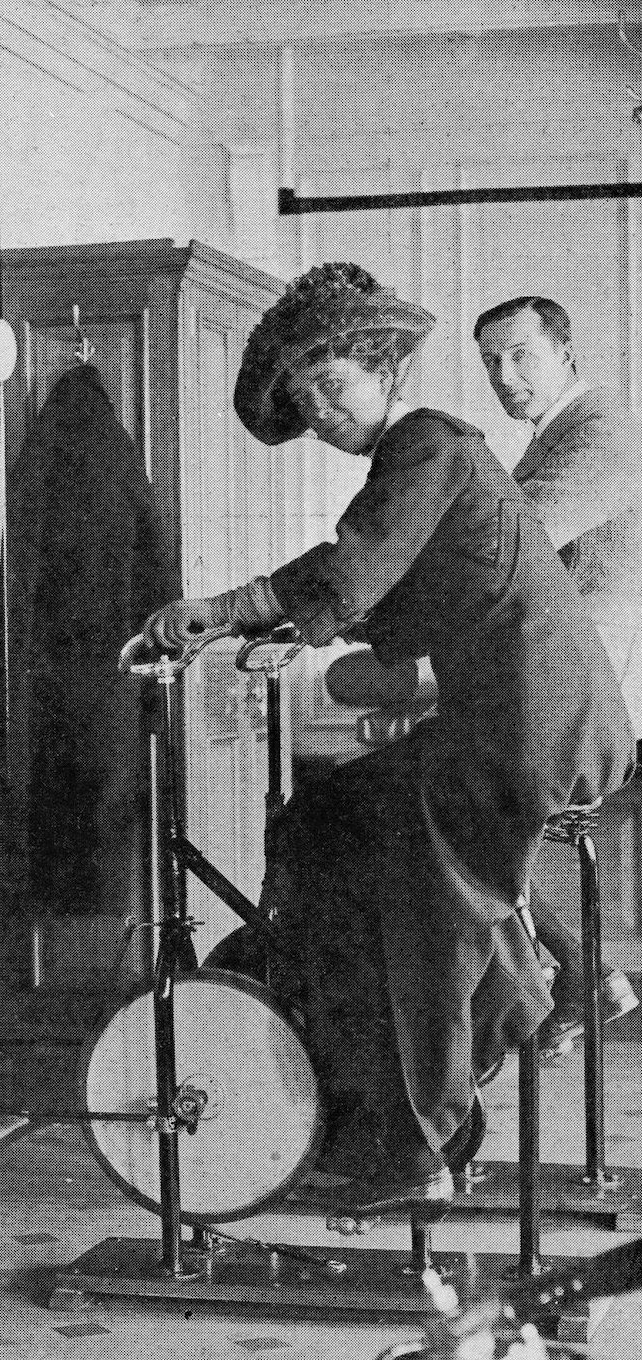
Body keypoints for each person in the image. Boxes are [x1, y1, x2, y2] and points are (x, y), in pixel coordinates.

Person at [142, 262, 636, 1223]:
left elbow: (352, 568)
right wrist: (261, 626)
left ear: (384, 373)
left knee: (410, 903)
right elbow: (385, 590)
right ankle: (511, 1006)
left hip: (530, 729)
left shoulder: (429, 444)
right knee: (322, 817)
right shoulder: (419, 463)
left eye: (334, 385)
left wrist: (223, 609)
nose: (322, 410)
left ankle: (416, 1145)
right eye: (304, 399)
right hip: (514, 721)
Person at [474, 296, 642, 1054]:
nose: (504, 377)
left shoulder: (599, 431)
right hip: (558, 689)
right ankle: (580, 976)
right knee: (451, 820)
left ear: (565, 352)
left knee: (439, 818)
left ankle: (559, 981)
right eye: (490, 362)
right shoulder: (558, 433)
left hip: (581, 702)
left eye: (520, 356)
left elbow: (513, 543)